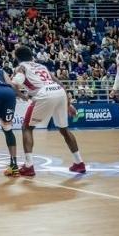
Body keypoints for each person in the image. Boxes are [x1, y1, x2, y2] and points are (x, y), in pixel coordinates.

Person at [11, 46, 86, 176]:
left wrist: (23, 96)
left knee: (27, 128)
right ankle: (79, 163)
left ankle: (28, 166)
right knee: (64, 129)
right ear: (31, 56)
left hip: (43, 94)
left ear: (17, 58)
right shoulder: (41, 66)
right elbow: (60, 84)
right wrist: (68, 104)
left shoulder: (21, 67)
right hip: (59, 91)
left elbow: (15, 84)